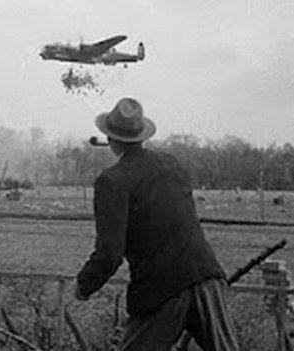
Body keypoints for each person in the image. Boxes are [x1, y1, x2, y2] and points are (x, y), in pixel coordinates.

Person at [75, 98, 240, 350]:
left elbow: (109, 254)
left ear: (109, 139)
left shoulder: (112, 181)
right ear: (141, 136)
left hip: (162, 288)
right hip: (206, 276)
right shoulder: (170, 164)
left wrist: (84, 285)